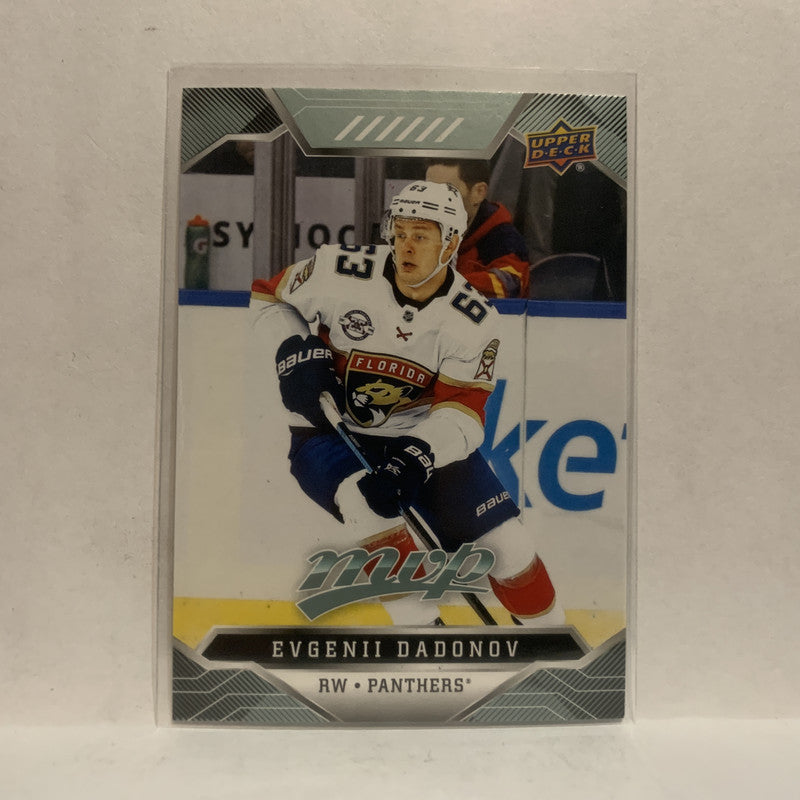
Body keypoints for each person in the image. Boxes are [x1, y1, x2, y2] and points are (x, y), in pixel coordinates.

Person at [249, 180, 560, 626]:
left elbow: (463, 412)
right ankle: (423, 634)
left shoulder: (472, 320)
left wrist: (417, 457)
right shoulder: (340, 269)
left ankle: (550, 638)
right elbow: (268, 294)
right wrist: (293, 349)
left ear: (450, 243)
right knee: (364, 503)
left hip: (416, 437)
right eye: (399, 233)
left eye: (421, 235)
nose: (406, 246)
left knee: (510, 547)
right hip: (327, 432)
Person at [424, 159, 529, 298]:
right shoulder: (416, 229)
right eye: (428, 190)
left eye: (448, 191)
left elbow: (510, 284)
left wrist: (444, 284)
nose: (433, 201)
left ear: (479, 192)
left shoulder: (501, 236)